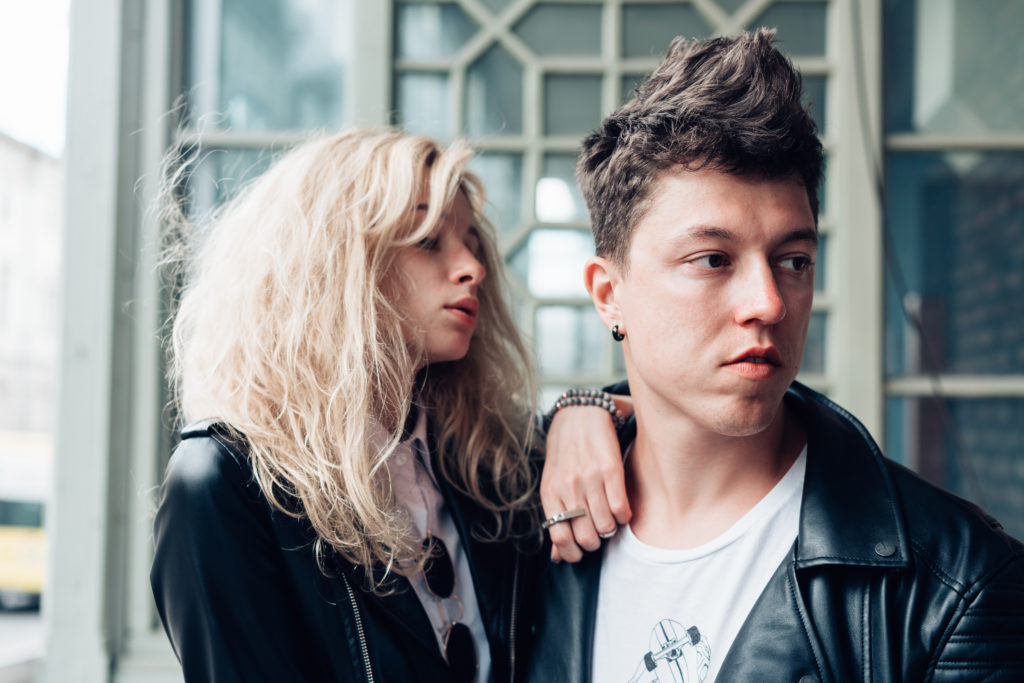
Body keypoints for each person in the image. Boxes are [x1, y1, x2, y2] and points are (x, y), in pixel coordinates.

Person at [529, 30, 1024, 682]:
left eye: (793, 260)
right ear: (608, 294)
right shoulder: (521, 525)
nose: (769, 301)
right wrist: (576, 406)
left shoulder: (958, 590)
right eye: (713, 259)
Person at [149, 128, 620, 682]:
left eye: (471, 241)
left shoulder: (483, 466)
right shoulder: (224, 483)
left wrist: (584, 409)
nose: (474, 266)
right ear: (334, 261)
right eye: (427, 239)